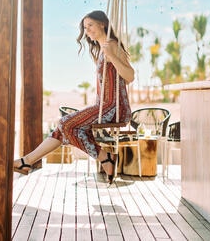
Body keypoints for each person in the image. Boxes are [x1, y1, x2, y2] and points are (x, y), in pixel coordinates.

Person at [13, 10, 135, 184]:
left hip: (113, 107)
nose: (88, 31)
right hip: (102, 105)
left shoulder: (112, 45)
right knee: (61, 130)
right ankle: (27, 162)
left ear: (103, 24)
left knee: (64, 123)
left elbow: (130, 76)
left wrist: (112, 56)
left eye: (90, 25)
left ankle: (105, 157)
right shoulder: (102, 49)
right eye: (85, 28)